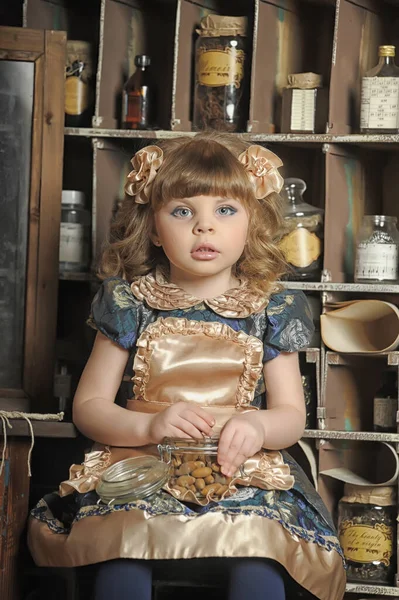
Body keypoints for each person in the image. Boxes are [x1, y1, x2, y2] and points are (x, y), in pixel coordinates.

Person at [28, 133, 346, 600]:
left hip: (238, 466)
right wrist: (151, 425)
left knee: (259, 556)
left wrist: (257, 429)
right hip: (143, 462)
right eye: (183, 211)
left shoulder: (271, 307)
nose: (204, 228)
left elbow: (290, 416)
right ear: (155, 228)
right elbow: (90, 407)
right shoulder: (130, 302)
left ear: (251, 221)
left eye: (225, 210)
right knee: (126, 552)